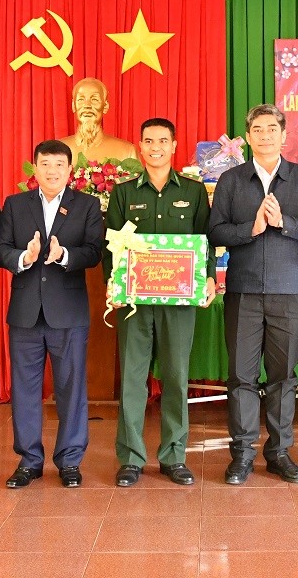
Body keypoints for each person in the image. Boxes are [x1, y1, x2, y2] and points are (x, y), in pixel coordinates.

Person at [207, 103, 298, 484]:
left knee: (282, 376)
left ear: (284, 135)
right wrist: (252, 228)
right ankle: (242, 455)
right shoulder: (231, 181)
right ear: (248, 136)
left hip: (288, 292)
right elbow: (215, 231)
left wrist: (283, 222)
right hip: (242, 292)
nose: (265, 136)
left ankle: (279, 453)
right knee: (241, 377)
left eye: (272, 129)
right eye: (257, 130)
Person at [105, 118, 217, 487]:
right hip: (134, 302)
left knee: (176, 378)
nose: (156, 147)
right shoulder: (123, 193)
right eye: (149, 141)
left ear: (174, 146)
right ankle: (130, 458)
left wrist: (209, 279)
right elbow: (112, 246)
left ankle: (174, 456)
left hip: (179, 302)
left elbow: (204, 242)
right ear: (140, 146)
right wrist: (113, 284)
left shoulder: (194, 192)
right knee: (132, 380)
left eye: (163, 141)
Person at [0, 139, 104, 489]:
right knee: (25, 390)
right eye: (45, 164)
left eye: (59, 164)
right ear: (35, 168)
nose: (52, 171)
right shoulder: (15, 204)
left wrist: (64, 255)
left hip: (68, 312)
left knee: (71, 389)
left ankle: (70, 461)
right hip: (25, 312)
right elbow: (0, 249)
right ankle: (29, 461)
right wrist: (24, 258)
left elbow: (94, 252)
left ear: (69, 169)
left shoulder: (86, 205)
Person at [59, 77, 138, 164]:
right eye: (81, 100)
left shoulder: (127, 152)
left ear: (105, 106)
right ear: (73, 106)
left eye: (94, 100)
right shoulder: (56, 150)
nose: (87, 105)